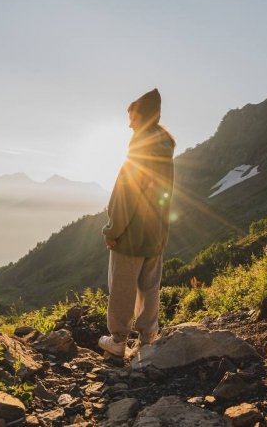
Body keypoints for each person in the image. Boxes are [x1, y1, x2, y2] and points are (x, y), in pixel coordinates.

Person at [98, 88, 176, 357]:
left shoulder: (139, 148)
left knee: (122, 287)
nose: (129, 123)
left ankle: (118, 341)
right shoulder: (165, 150)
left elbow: (125, 194)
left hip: (130, 235)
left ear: (142, 117)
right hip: (155, 234)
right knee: (149, 287)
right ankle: (147, 340)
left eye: (132, 117)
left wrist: (112, 230)